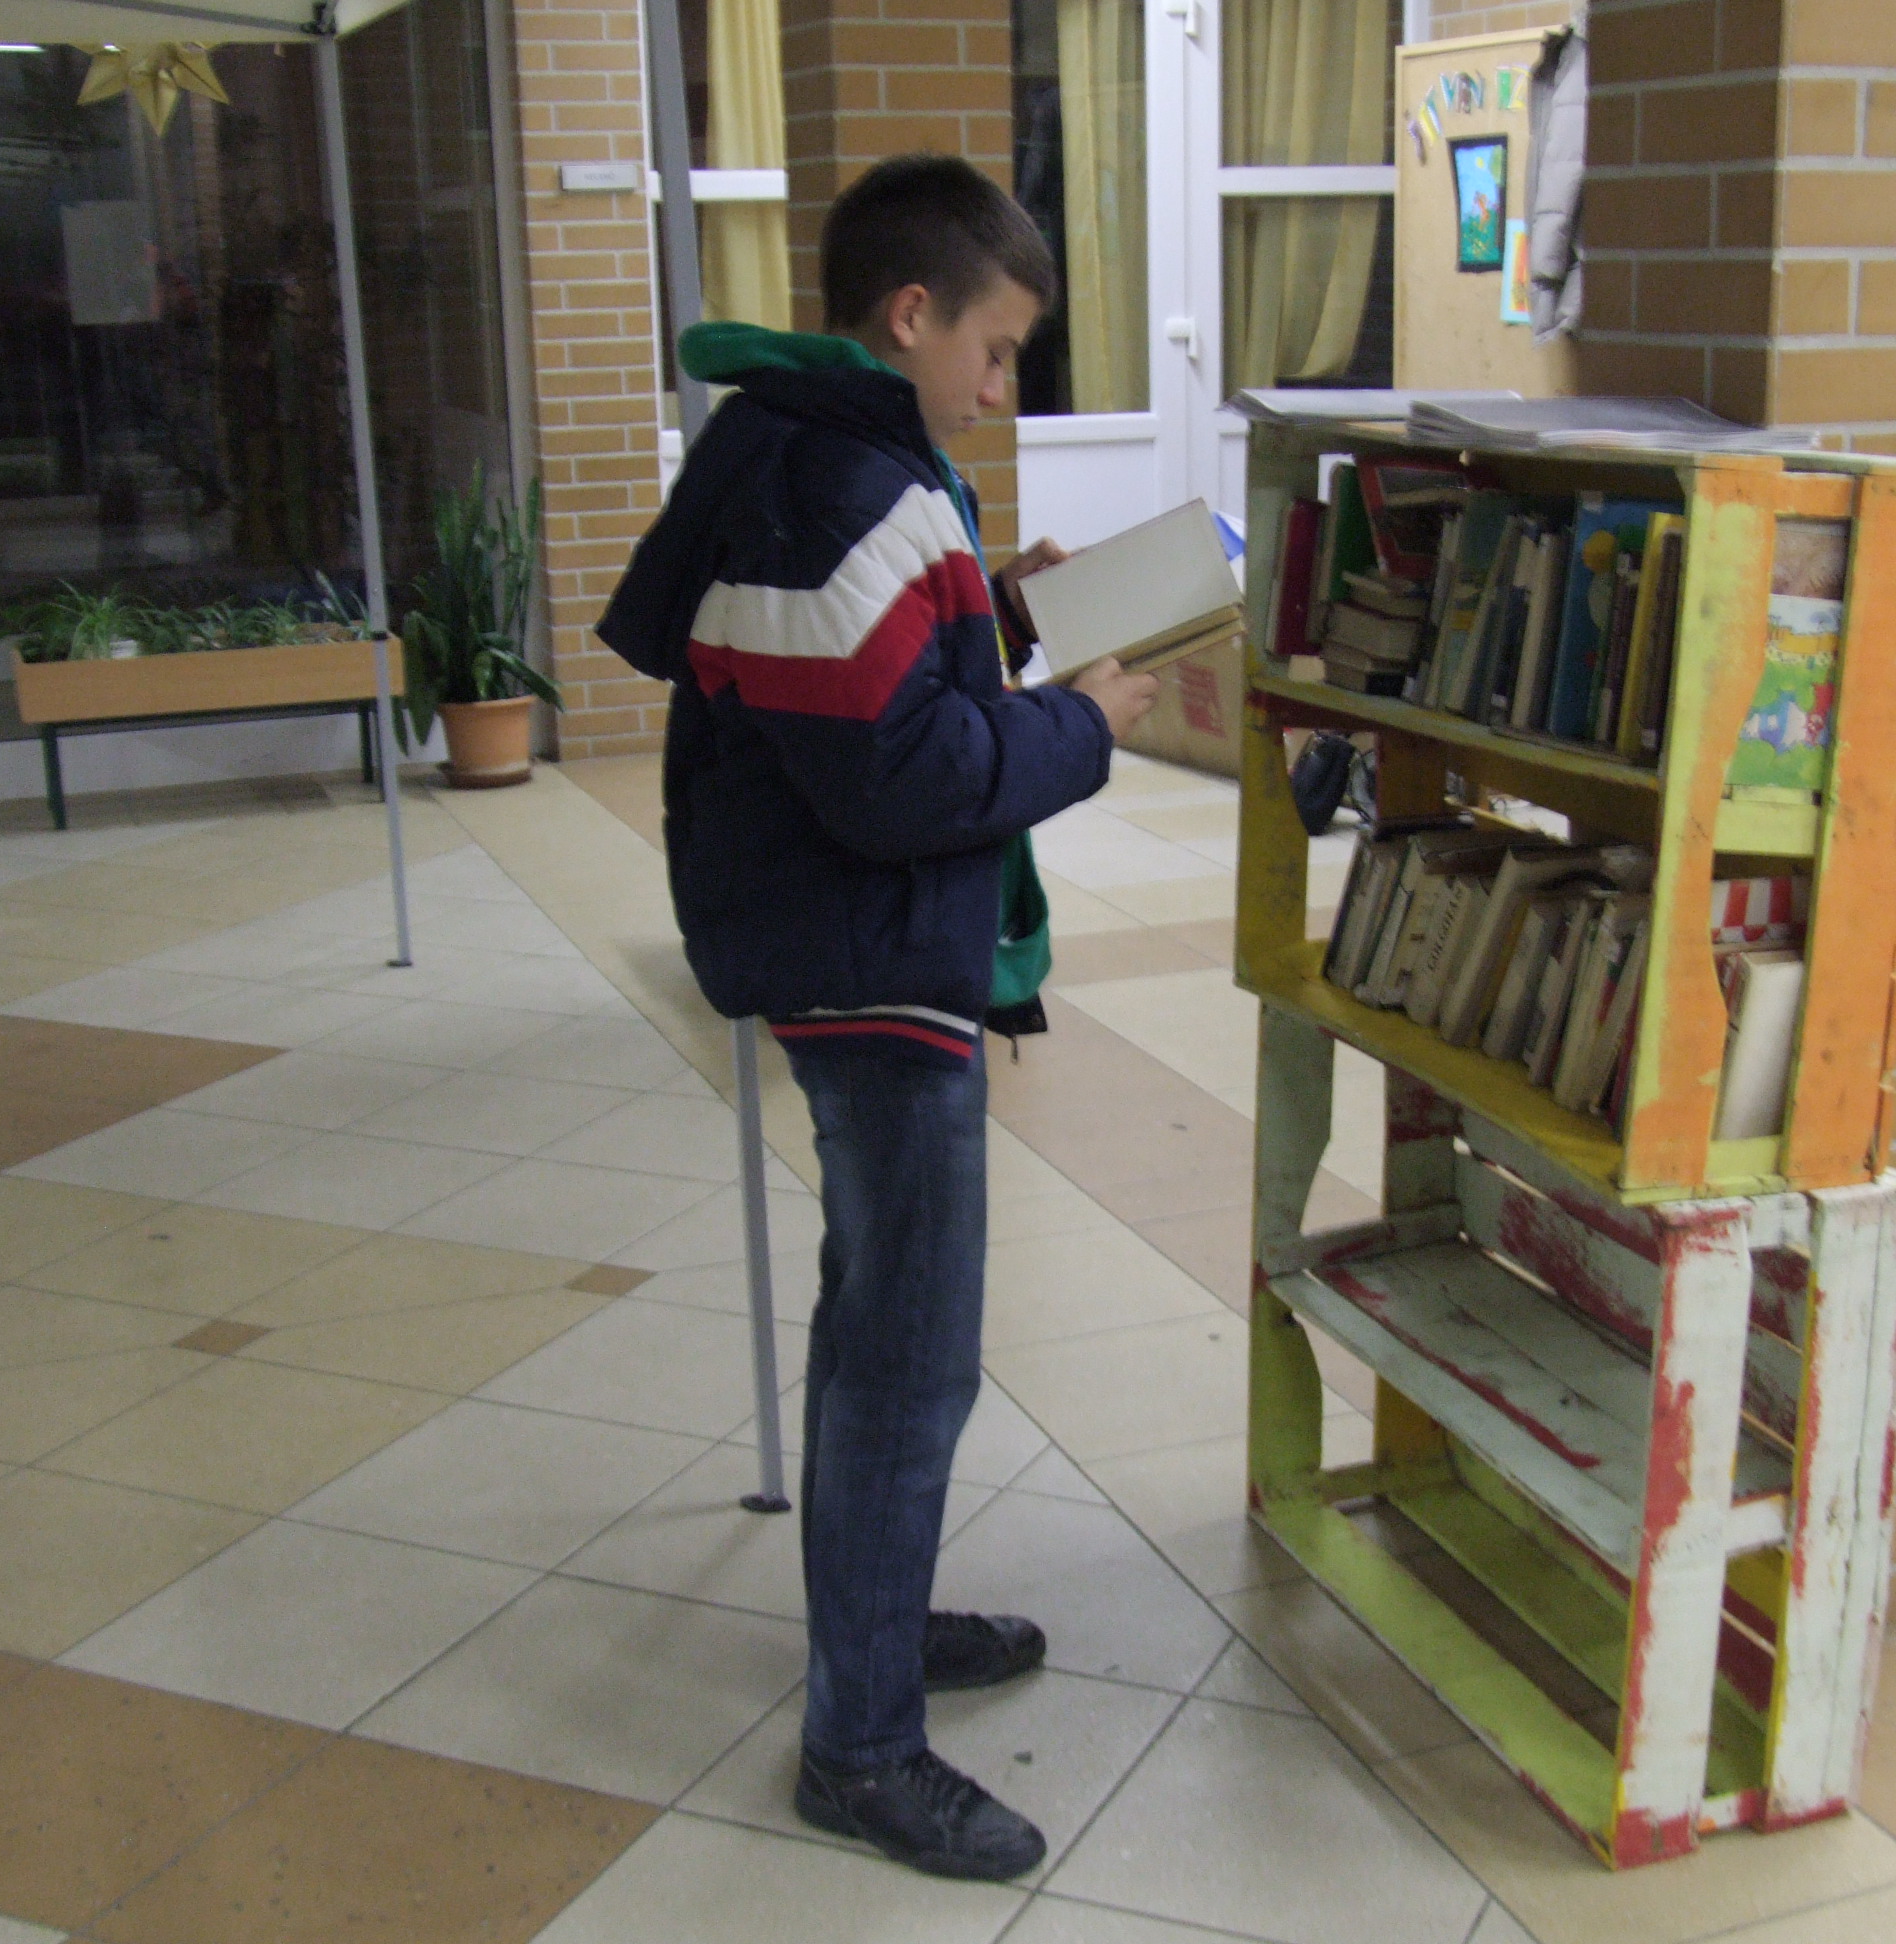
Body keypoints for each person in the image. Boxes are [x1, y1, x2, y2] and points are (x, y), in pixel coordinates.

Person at [596, 155, 1160, 1882]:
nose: (1002, 387)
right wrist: (1085, 719)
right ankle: (858, 1751)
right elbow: (899, 776)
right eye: (995, 351)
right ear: (910, 316)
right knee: (909, 1363)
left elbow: (869, 673)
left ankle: (875, 1622)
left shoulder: (827, 451)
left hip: (854, 946)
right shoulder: (841, 479)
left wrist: (1000, 607)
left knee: (877, 1331)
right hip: (868, 959)